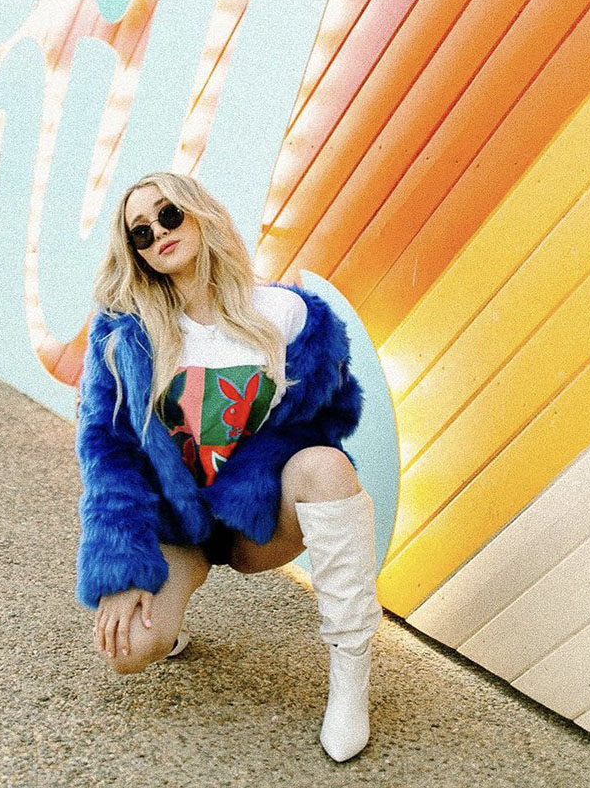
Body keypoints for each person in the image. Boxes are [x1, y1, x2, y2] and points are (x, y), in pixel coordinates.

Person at [73, 171, 382, 762]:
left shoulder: (287, 316)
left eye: (168, 216)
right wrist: (120, 570)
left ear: (199, 214)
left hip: (256, 518)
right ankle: (173, 618)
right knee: (130, 649)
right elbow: (108, 454)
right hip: (180, 529)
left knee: (328, 467)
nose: (158, 234)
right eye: (141, 232)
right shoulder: (126, 336)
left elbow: (327, 417)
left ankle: (350, 675)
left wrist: (261, 473)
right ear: (134, 253)